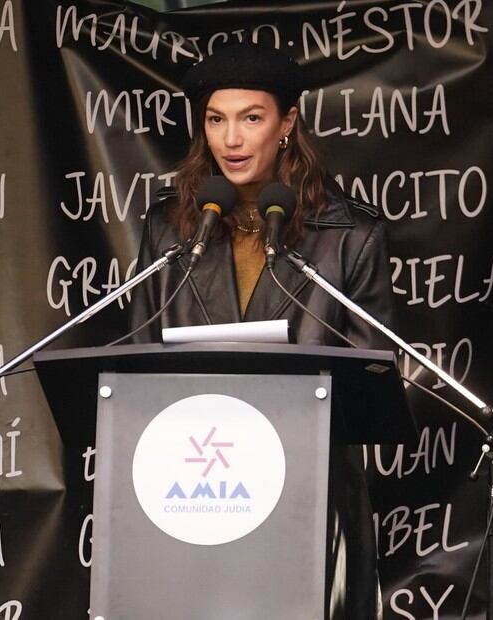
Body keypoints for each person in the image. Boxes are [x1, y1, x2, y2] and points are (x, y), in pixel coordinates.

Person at [128, 43, 395, 620]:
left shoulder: (349, 234)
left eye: (251, 118)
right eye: (216, 120)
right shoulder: (169, 227)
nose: (232, 139)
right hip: (194, 490)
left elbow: (376, 378)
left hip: (306, 494)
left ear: (287, 122)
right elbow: (135, 362)